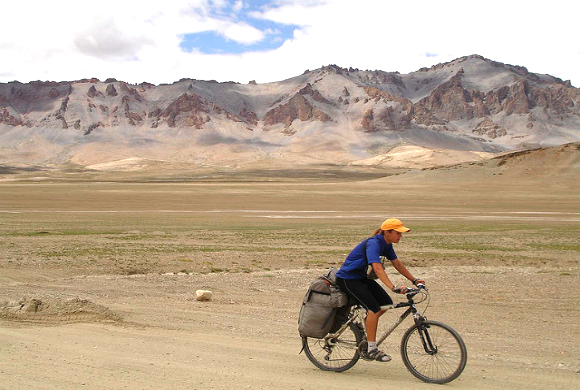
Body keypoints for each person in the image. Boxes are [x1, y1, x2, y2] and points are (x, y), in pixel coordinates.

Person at [335, 218, 424, 362]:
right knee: (374, 309)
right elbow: (377, 267)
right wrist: (393, 287)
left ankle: (367, 322)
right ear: (387, 232)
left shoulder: (387, 244)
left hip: (361, 278)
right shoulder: (374, 243)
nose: (400, 236)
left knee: (386, 303)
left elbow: (397, 264)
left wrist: (414, 279)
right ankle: (372, 349)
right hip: (348, 279)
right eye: (397, 233)